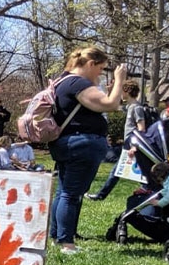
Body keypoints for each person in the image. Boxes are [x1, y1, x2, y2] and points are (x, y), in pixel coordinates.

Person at [47, 47, 126, 253]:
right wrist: (119, 80)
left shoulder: (62, 81)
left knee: (63, 192)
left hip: (67, 143)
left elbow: (103, 105)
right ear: (90, 64)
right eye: (101, 68)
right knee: (71, 195)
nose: (101, 73)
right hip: (81, 144)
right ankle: (67, 243)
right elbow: (110, 104)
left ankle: (57, 236)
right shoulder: (78, 83)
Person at [86, 79, 146, 201]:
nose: (120, 94)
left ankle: (101, 195)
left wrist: (135, 147)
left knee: (122, 171)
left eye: (121, 91)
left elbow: (142, 128)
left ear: (127, 91)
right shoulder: (130, 107)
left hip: (133, 146)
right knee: (120, 171)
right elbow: (111, 107)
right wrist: (109, 92)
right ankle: (101, 195)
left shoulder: (137, 108)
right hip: (128, 145)